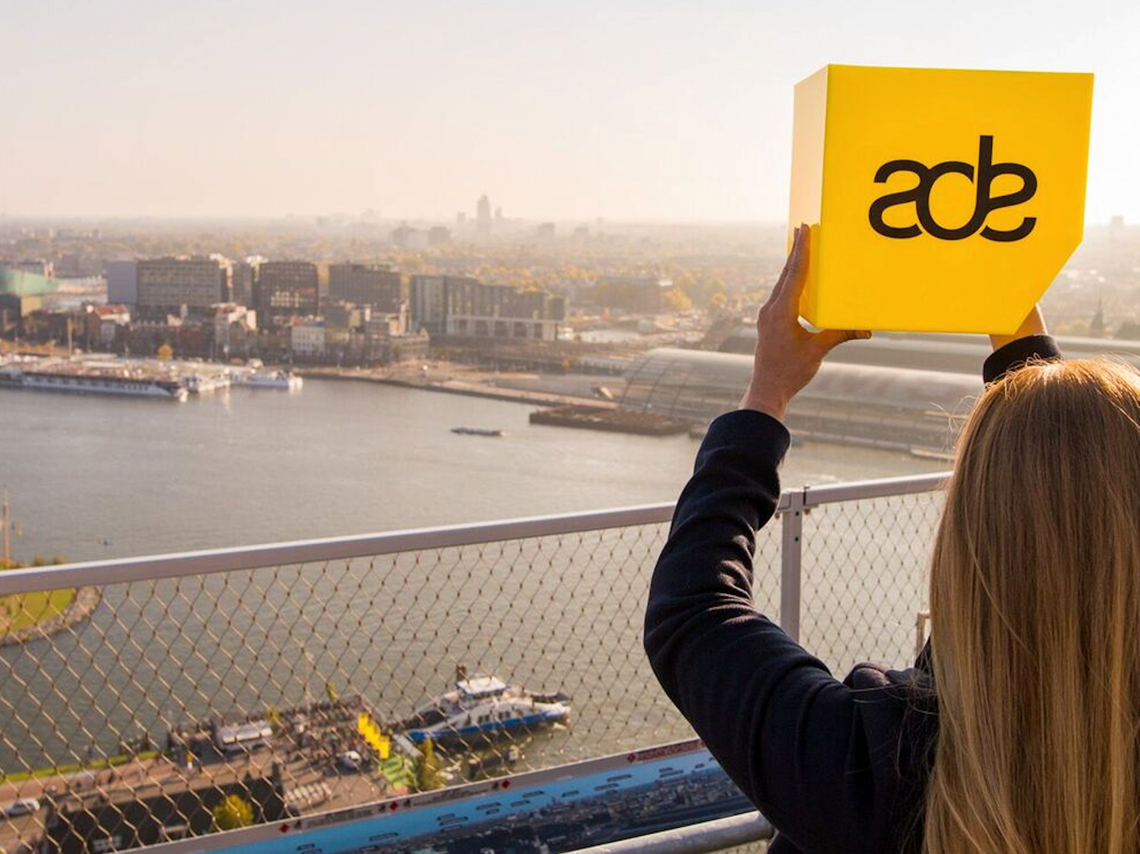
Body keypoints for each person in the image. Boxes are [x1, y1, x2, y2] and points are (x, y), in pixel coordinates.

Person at [644, 224, 1140, 853]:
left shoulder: (866, 765)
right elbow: (1074, 532)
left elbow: (692, 611)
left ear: (968, 534)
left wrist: (766, 393)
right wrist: (1030, 363)